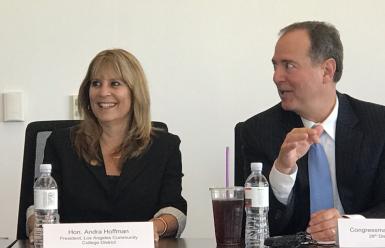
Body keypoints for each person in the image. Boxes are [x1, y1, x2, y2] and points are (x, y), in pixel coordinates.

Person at [240, 21, 385, 242]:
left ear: (327, 70)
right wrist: (282, 171)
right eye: (275, 66)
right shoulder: (256, 132)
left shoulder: (378, 124)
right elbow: (255, 230)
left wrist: (350, 226)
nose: (276, 77)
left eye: (288, 65)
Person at [27, 49, 187, 242]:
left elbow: (174, 209)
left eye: (115, 83)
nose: (103, 92)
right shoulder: (60, 143)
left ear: (135, 92)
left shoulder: (165, 146)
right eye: (96, 83)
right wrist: (37, 225)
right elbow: (38, 206)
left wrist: (155, 227)